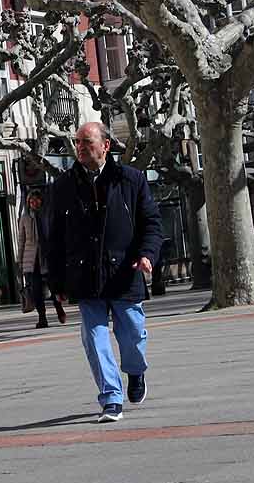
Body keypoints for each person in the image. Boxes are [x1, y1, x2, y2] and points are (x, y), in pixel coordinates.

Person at [46, 122, 163, 424]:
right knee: (95, 338)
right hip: (85, 277)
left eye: (86, 142)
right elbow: (55, 237)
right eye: (77, 143)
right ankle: (111, 398)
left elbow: (151, 223)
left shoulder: (131, 179)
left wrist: (147, 255)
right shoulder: (63, 186)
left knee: (133, 336)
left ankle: (136, 372)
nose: (80, 148)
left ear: (106, 145)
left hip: (124, 271)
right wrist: (56, 282)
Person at [17, 188, 66, 328]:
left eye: (36, 200)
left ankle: (59, 308)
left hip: (48, 257)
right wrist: (19, 260)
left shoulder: (48, 215)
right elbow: (21, 240)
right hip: (31, 261)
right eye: (31, 201)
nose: (33, 203)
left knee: (54, 287)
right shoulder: (25, 218)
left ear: (41, 201)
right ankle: (42, 318)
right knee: (36, 291)